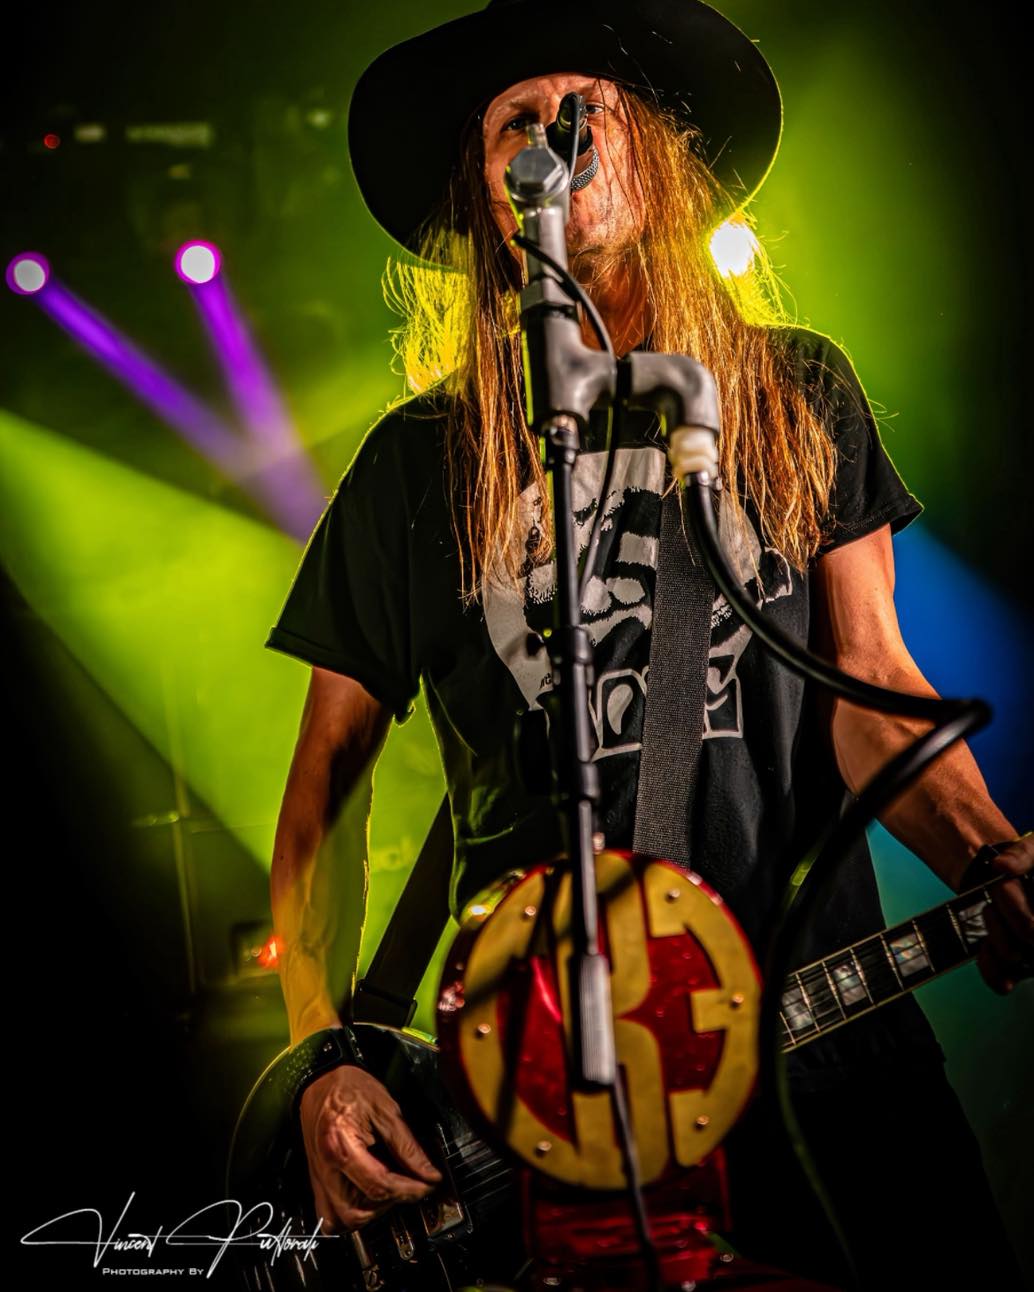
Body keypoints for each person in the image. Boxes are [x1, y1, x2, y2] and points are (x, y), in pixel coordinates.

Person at [264, 2, 1032, 1286]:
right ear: (489, 191)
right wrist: (318, 1056)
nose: (554, 137)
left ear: (659, 154)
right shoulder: (414, 464)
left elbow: (871, 687)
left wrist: (989, 854)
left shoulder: (790, 392)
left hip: (815, 1038)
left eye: (589, 110)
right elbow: (320, 796)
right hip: (540, 1093)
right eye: (518, 122)